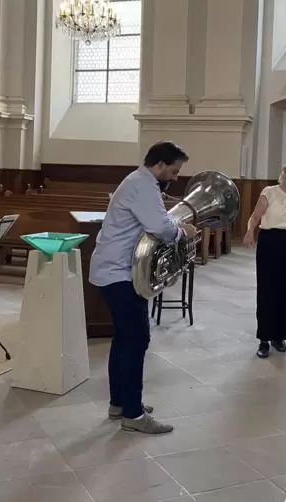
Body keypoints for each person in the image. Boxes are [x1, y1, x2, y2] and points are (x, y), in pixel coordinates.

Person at [89, 141, 197, 434]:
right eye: (173, 171)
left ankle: (120, 403)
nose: (175, 178)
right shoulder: (143, 185)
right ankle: (134, 416)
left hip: (117, 271)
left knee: (124, 339)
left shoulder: (138, 181)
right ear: (160, 165)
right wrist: (182, 232)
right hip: (119, 273)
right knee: (137, 339)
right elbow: (160, 227)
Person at [243, 161, 286, 358]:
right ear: (281, 174)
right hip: (269, 241)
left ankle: (279, 336)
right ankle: (264, 338)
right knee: (267, 288)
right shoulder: (269, 192)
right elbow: (255, 216)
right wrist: (249, 232)